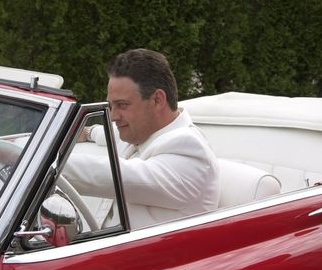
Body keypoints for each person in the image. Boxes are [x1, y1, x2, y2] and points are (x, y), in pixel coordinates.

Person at [65, 48, 220, 229]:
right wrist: (89, 132)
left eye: (122, 105)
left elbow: (109, 175)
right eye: (111, 106)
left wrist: (41, 163)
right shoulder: (141, 131)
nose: (113, 116)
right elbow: (109, 133)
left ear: (157, 100)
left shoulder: (189, 150)